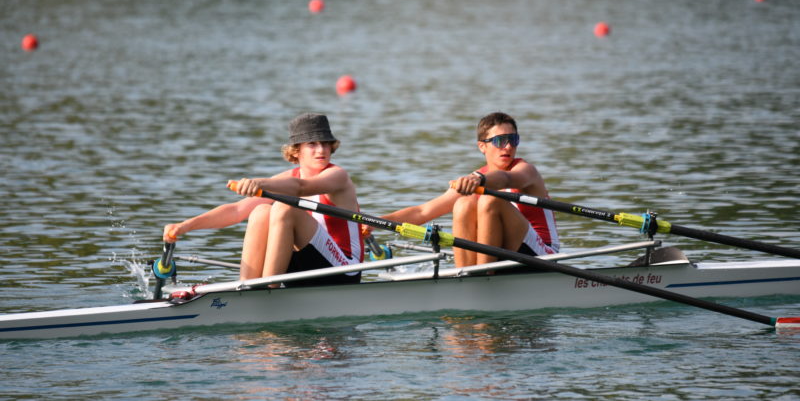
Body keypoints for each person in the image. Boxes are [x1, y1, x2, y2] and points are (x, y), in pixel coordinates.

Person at [163, 113, 363, 285]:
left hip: (344, 270)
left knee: (284, 208)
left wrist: (259, 183)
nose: (321, 150)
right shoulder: (288, 178)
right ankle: (248, 287)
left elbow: (301, 187)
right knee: (260, 211)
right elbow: (237, 210)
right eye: (312, 143)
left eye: (325, 143)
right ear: (296, 150)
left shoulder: (337, 176)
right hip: (310, 265)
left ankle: (269, 290)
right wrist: (185, 226)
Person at [382, 112, 559, 268]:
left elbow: (506, 178)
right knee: (463, 203)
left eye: (513, 140)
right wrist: (377, 223)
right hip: (507, 251)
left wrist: (480, 180)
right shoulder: (475, 178)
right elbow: (422, 211)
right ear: (482, 146)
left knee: (490, 200)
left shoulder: (525, 170)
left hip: (543, 255)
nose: (508, 146)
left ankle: (483, 275)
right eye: (499, 141)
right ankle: (468, 274)